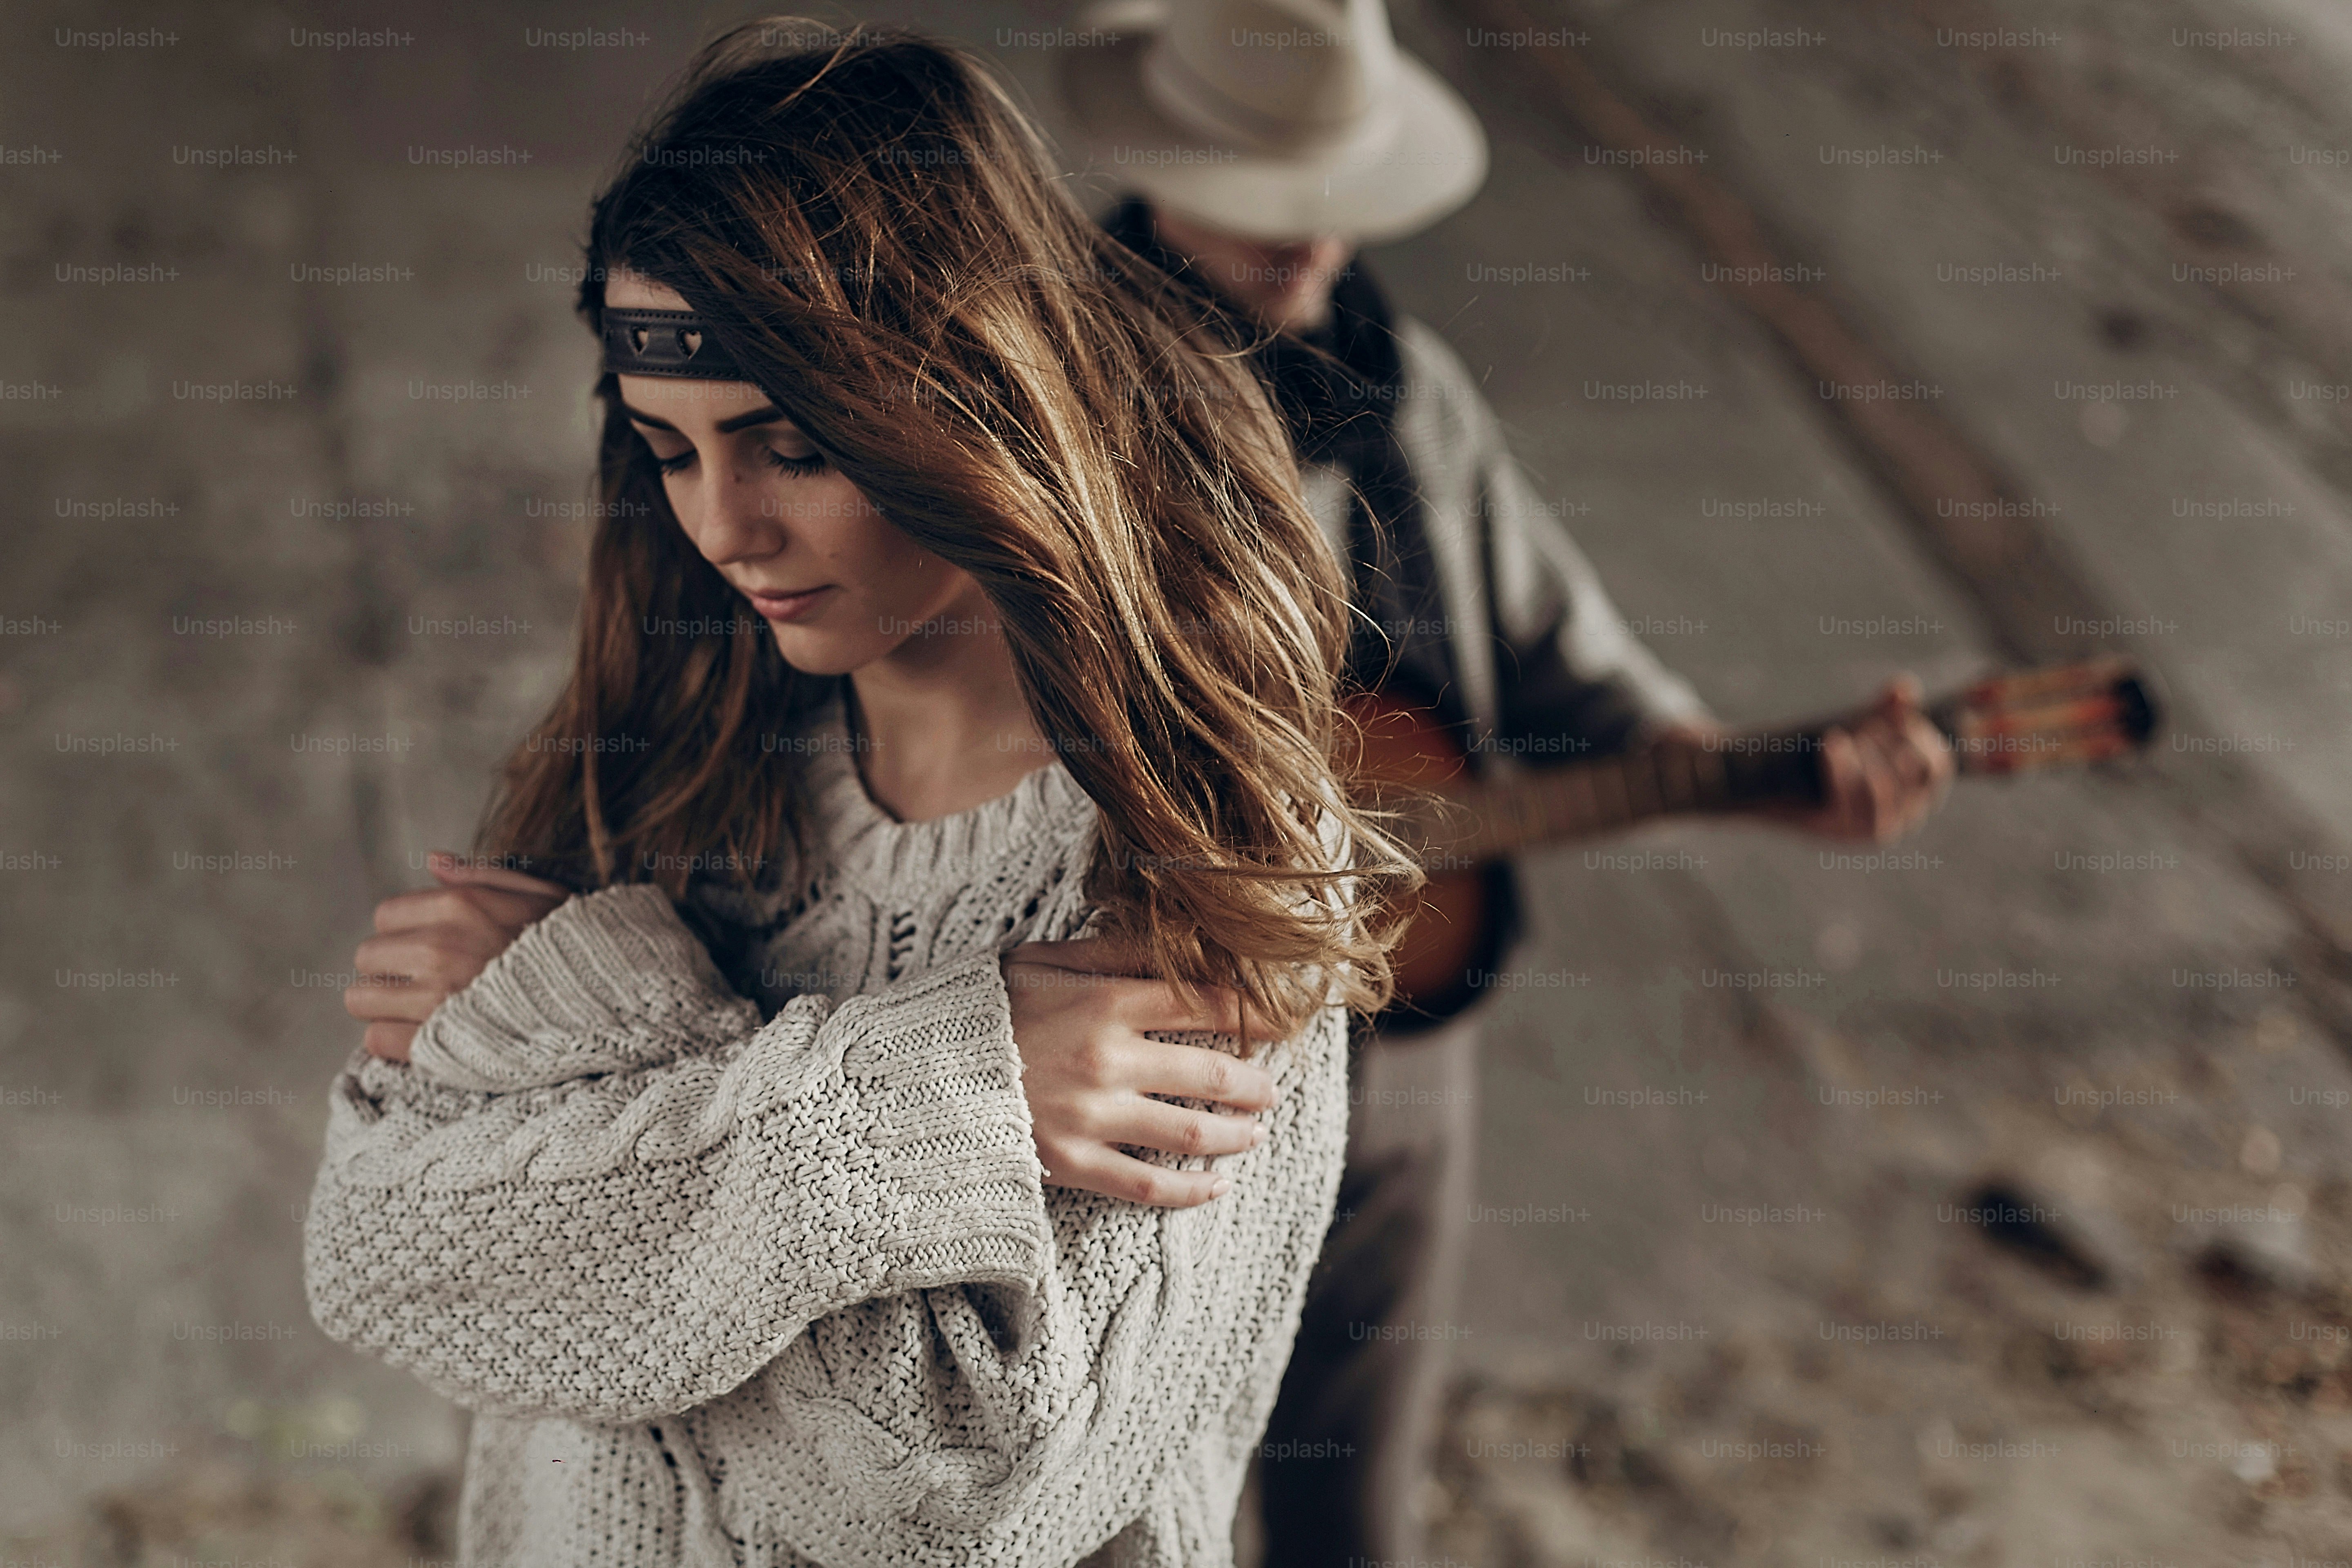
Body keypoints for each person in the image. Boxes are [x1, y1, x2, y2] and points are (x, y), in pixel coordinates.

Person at [303, 20, 1425, 1568]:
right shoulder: (674, 758)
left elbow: (934, 1494)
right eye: (671, 450)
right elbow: (380, 1254)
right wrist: (942, 1099)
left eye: (790, 446)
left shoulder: (1187, 857)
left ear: (977, 394)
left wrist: (585, 1033)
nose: (727, 528)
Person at [1051, 2, 1955, 1561]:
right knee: (1130, 1503)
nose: (1312, 239)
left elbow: (1567, 663)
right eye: (1271, 190)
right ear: (1160, 156)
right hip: (1172, 1063)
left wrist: (1760, 775)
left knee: (1356, 1510)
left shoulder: (1411, 388)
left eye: (1332, 187)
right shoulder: (1059, 411)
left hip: (1409, 1053)